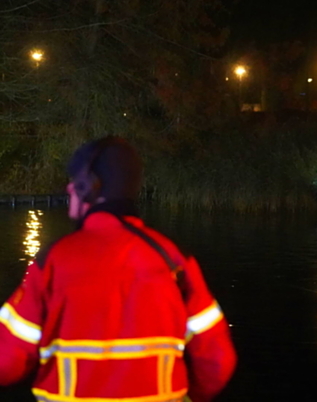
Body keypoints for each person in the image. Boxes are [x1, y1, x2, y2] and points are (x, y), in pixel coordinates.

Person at [0, 136, 236, 401]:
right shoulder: (173, 258)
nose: (68, 188)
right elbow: (217, 361)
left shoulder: (54, 261)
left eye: (74, 180)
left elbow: (6, 361)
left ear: (88, 187)